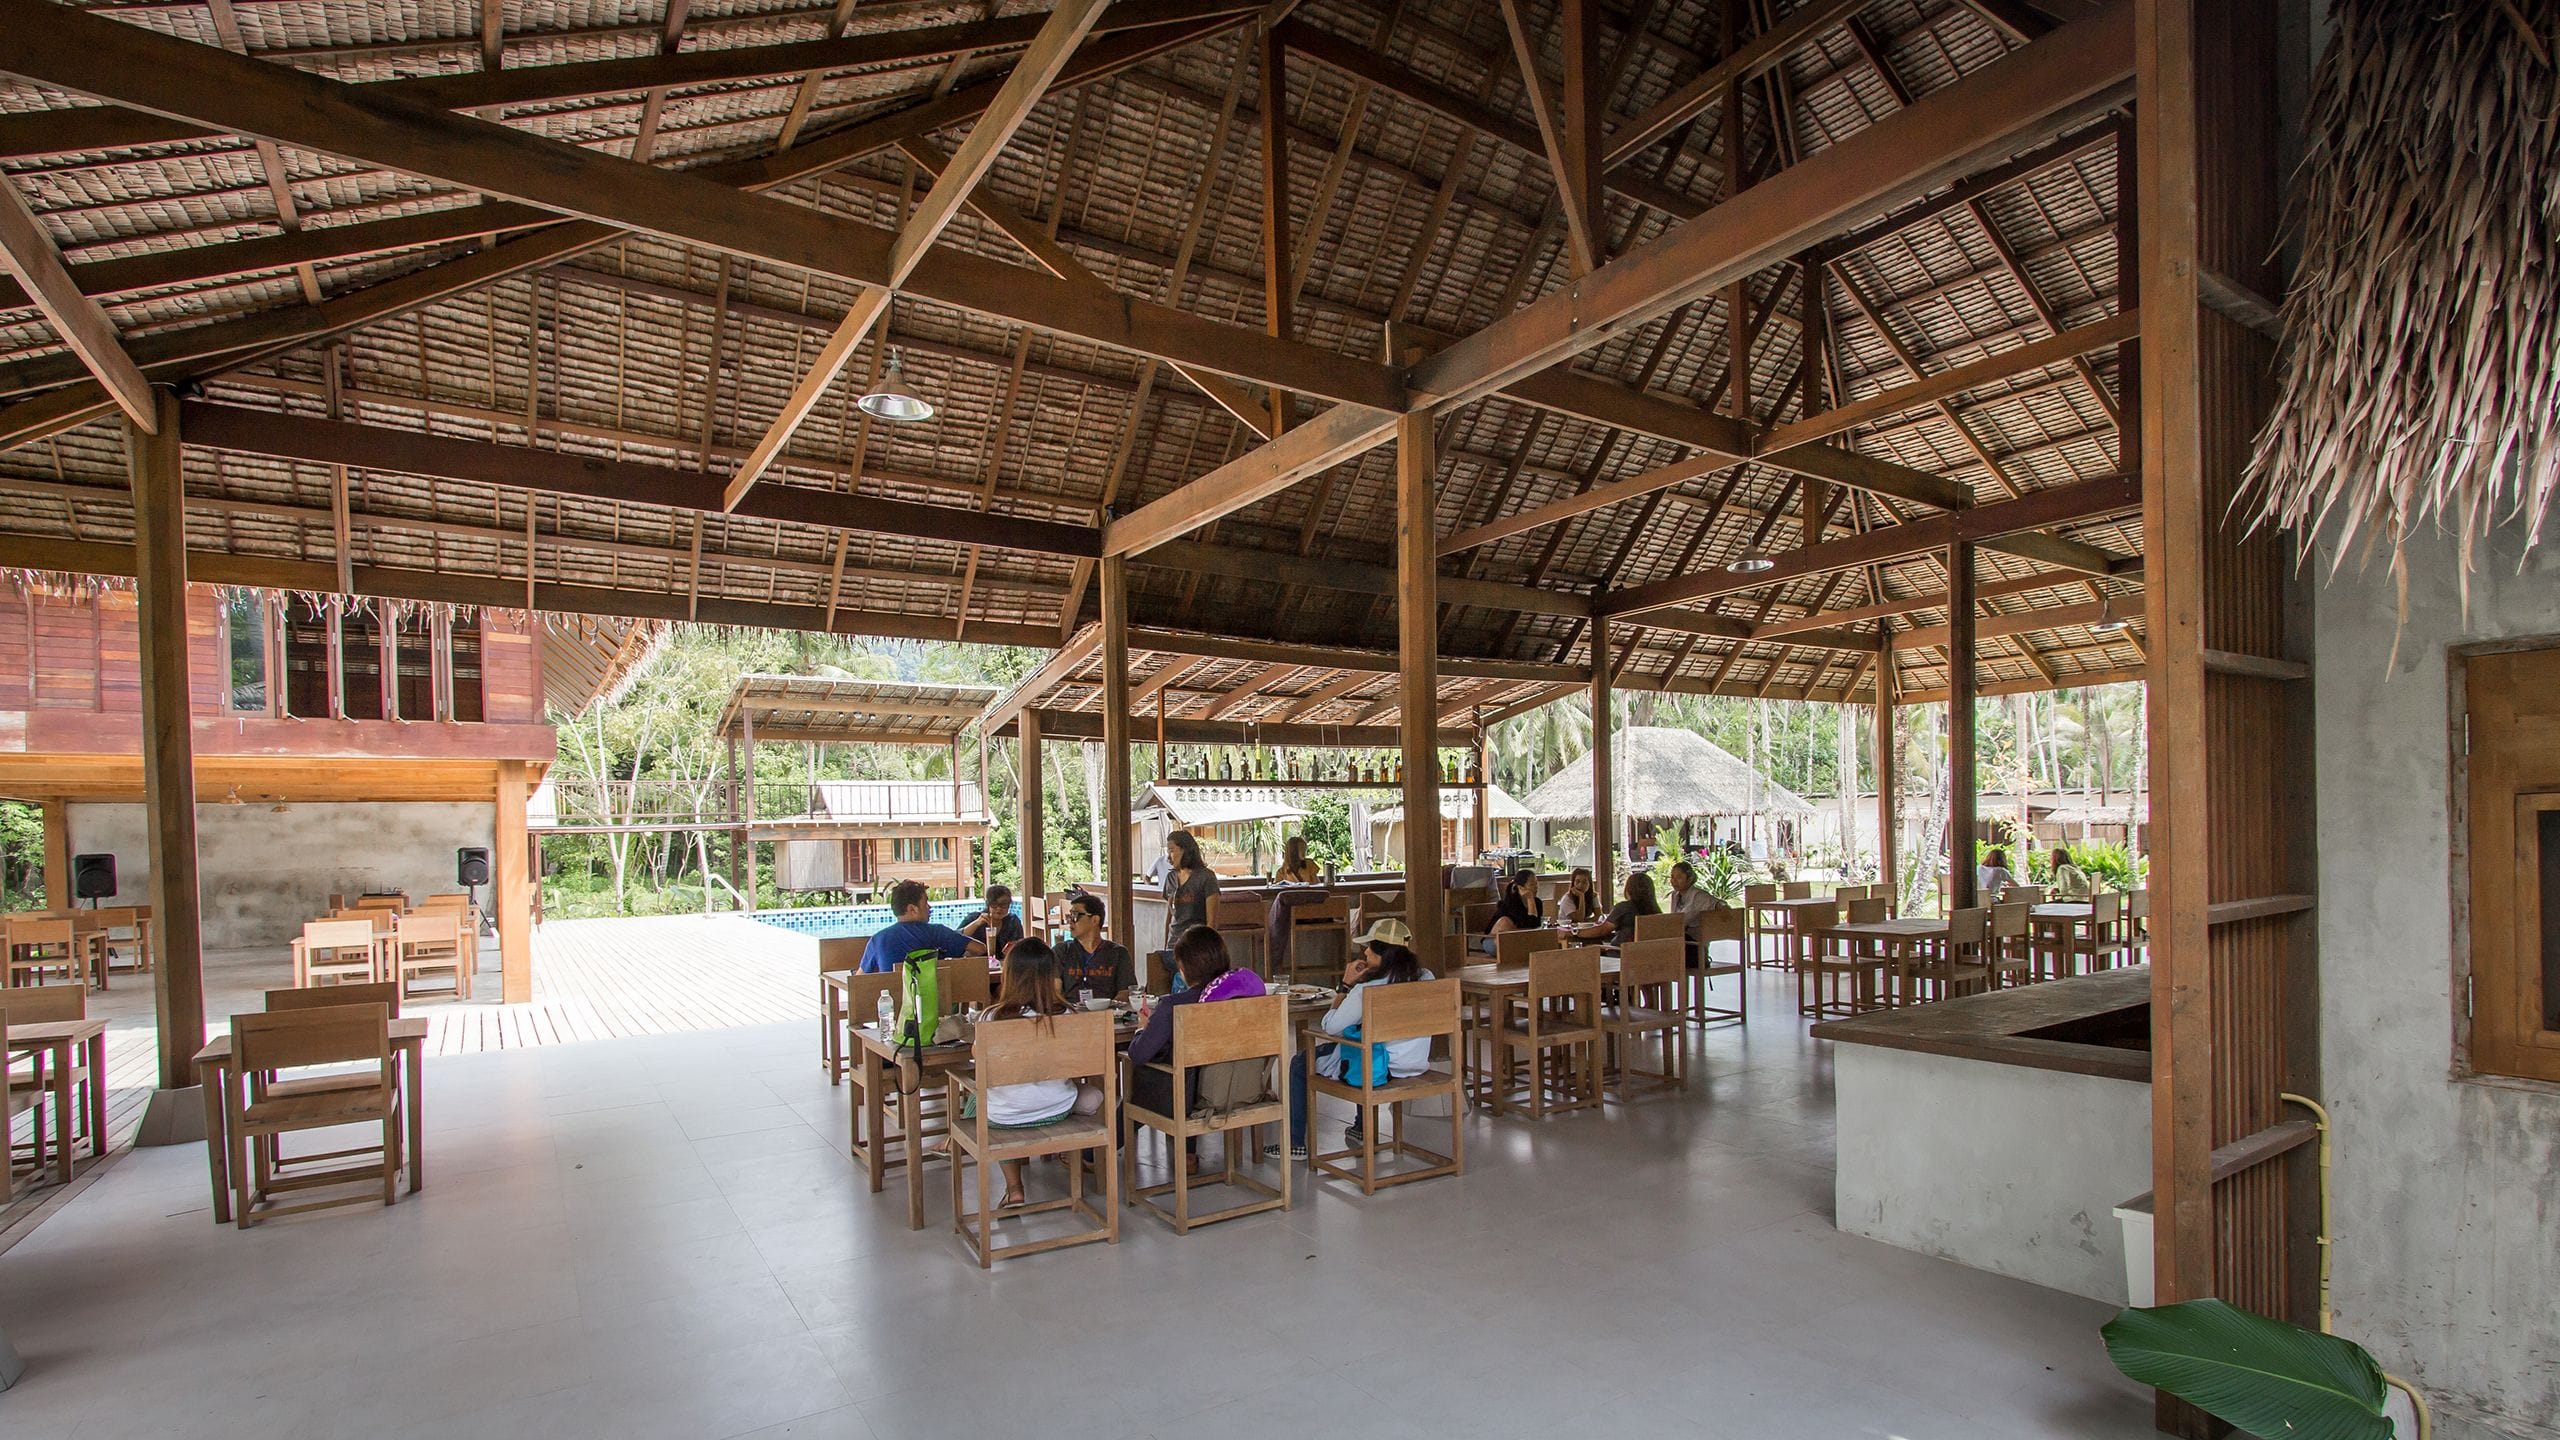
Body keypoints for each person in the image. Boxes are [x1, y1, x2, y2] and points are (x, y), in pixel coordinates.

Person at [962, 937, 1103, 1211]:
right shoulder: (1069, 1015)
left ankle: (1014, 1188)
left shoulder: (991, 1018)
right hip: (1058, 1108)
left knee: (986, 1095)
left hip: (1005, 1117)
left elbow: (979, 1060)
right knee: (1080, 1094)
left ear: (1009, 976)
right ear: (1053, 975)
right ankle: (1066, 1155)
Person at [1288, 918, 1433, 1158]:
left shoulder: (1366, 991)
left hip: (1381, 1068)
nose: (1364, 952)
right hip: (1415, 1064)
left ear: (1383, 955)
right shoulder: (1427, 978)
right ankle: (1360, 1128)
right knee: (1363, 1045)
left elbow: (1330, 1027)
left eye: (1370, 948)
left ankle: (1295, 1143)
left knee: (1301, 1062)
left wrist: (1345, 985)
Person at [1127, 924, 1267, 1168]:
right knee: (1183, 1069)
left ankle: (1089, 1157)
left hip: (1193, 1099)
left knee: (1142, 1089)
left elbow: (1138, 1054)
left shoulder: (1174, 1005)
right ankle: (1188, 1155)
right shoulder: (1249, 1001)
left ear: (1183, 968)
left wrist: (1142, 1027)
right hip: (1243, 1089)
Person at [858, 879, 983, 972]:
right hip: (935, 1003)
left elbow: (859, 981)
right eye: (926, 903)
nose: (929, 907)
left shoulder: (878, 939)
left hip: (894, 1004)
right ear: (912, 909)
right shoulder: (937, 932)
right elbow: (980, 949)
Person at [1051, 892, 1135, 1002]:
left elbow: (1125, 992)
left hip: (1108, 1013)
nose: (1070, 921)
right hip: (1070, 1013)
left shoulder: (1118, 953)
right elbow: (1054, 991)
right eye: (1069, 916)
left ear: (1095, 920)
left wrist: (1107, 1009)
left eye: (1075, 916)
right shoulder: (1061, 951)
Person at [1161, 829, 1220, 934]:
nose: (1168, 857)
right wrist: (1165, 945)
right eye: (1168, 851)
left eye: (1171, 850)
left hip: (1196, 944)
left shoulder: (1206, 877)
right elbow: (1170, 918)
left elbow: (1212, 923)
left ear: (1184, 850)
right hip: (1174, 943)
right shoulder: (1171, 877)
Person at [1663, 860, 1728, 956]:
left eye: (1679, 877)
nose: (1674, 881)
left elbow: (1719, 903)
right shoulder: (1675, 895)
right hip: (1680, 940)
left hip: (1694, 945)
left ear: (1689, 879)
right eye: (1672, 877)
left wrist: (1725, 909)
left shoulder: (1698, 895)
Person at [1482, 868, 1546, 953]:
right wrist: (1530, 898)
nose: (1536, 887)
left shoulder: (1537, 902)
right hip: (1495, 942)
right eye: (1532, 884)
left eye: (1536, 883)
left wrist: (1531, 901)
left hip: (1517, 941)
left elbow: (1535, 926)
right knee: (1505, 921)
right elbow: (1528, 925)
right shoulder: (1511, 902)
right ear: (1520, 888)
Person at [958, 884, 1024, 955]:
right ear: (988, 904)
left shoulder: (1012, 921)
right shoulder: (974, 918)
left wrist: (1015, 947)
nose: (999, 909)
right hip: (977, 961)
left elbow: (1021, 944)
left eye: (1003, 905)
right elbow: (954, 938)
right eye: (994, 905)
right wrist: (976, 924)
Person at [1606, 869, 1663, 946]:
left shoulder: (1623, 908)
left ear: (1628, 889)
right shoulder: (1656, 910)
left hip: (1622, 953)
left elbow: (1603, 930)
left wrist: (1583, 932)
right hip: (1648, 953)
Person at [1556, 866, 1611, 940]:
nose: (1580, 885)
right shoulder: (1567, 899)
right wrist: (1581, 897)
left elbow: (1599, 916)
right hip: (1567, 932)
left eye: (1584, 882)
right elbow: (1579, 919)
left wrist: (1586, 922)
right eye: (1577, 881)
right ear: (1573, 883)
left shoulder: (1593, 896)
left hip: (1583, 930)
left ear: (1589, 884)